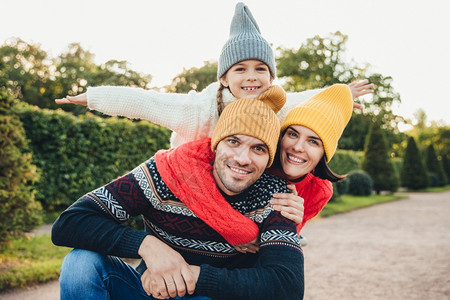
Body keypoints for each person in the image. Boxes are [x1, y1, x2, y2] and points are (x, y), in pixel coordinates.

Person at [54, 2, 373, 236]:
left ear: (272, 77)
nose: (252, 77)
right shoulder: (199, 109)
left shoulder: (275, 106)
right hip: (190, 178)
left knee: (275, 188)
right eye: (240, 69)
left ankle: (273, 236)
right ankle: (242, 235)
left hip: (237, 182)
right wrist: (93, 98)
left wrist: (342, 97)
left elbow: (308, 100)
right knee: (237, 228)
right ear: (224, 78)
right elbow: (146, 102)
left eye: (261, 69)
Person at [52, 86, 305, 299]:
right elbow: (70, 223)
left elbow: (287, 284)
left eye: (259, 149)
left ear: (269, 157)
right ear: (216, 143)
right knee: (80, 265)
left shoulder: (275, 195)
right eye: (233, 141)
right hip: (148, 290)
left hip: (210, 294)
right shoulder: (167, 174)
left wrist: (190, 275)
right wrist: (148, 246)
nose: (242, 158)